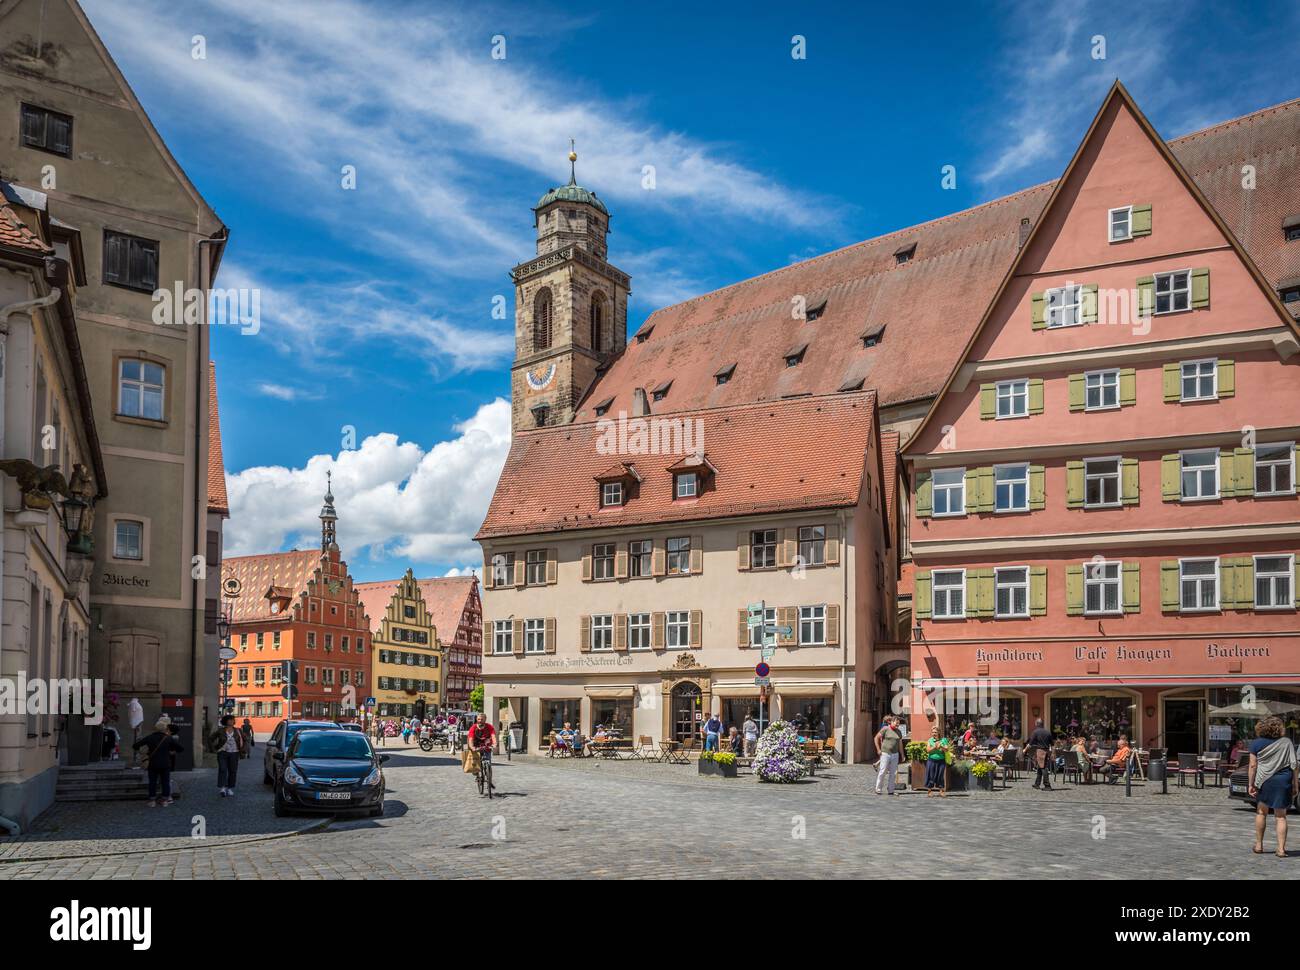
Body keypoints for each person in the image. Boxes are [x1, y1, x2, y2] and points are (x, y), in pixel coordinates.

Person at [1248, 715, 1299, 858]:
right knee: (1281, 816)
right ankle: (1281, 849)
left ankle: (1259, 845)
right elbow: (1294, 765)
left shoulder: (1256, 743)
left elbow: (1253, 765)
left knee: (1261, 812)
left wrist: (1251, 784)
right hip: (1283, 780)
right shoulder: (1287, 742)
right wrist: (1296, 784)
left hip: (1264, 781)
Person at [133, 718, 183, 807]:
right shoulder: (168, 738)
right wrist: (171, 751)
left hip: (153, 763)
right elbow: (180, 748)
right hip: (165, 763)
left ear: (155, 728)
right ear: (165, 728)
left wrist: (142, 752)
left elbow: (135, 745)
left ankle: (152, 801)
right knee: (165, 782)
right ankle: (165, 801)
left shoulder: (150, 737)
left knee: (152, 782)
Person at [210, 714, 245, 797]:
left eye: (232, 720)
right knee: (222, 769)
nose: (231, 721)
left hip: (234, 753)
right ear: (225, 721)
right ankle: (222, 788)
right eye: (229, 720)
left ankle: (229, 788)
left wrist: (244, 750)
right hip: (222, 753)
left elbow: (245, 740)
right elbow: (211, 739)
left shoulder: (238, 731)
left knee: (232, 771)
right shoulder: (220, 731)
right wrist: (214, 749)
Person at [874, 715, 904, 795]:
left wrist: (902, 754)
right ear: (891, 722)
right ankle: (878, 789)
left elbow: (900, 744)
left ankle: (891, 790)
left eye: (898, 724)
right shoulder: (885, 729)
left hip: (895, 754)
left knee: (893, 773)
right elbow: (876, 738)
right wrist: (878, 749)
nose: (897, 725)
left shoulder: (899, 732)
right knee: (882, 771)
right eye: (896, 723)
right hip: (885, 753)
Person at [1026, 718, 1054, 790]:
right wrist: (1052, 753)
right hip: (1047, 751)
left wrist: (1024, 750)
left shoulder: (1035, 732)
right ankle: (1037, 784)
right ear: (1042, 724)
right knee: (1040, 767)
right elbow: (1052, 744)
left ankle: (1047, 785)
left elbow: (1030, 743)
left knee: (1043, 768)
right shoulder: (1048, 732)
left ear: (1036, 724)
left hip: (1040, 751)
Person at [924, 725, 950, 797]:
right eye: (932, 732)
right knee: (931, 776)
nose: (934, 733)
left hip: (941, 761)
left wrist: (941, 746)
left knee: (940, 776)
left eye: (935, 732)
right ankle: (929, 791)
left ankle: (941, 791)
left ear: (939, 732)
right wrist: (935, 747)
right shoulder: (930, 740)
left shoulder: (943, 740)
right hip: (931, 760)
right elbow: (928, 750)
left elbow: (947, 749)